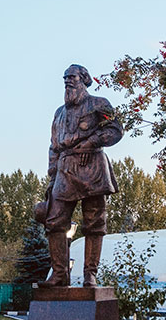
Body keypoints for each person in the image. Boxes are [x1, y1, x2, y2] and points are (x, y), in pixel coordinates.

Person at [37, 64, 123, 288]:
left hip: (92, 166)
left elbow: (116, 130)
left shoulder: (99, 104)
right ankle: (59, 275)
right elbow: (53, 147)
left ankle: (90, 275)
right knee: (54, 221)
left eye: (72, 77)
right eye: (65, 78)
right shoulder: (59, 113)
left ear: (84, 79)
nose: (67, 81)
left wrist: (92, 142)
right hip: (65, 169)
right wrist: (52, 176)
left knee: (95, 223)